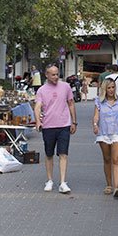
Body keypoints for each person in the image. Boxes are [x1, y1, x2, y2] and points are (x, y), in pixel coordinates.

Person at [34, 65, 78, 194]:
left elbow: (71, 103)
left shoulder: (66, 87)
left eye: (57, 74)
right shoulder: (41, 90)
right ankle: (49, 180)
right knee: (49, 154)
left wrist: (74, 121)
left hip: (64, 124)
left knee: (63, 154)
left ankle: (63, 182)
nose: (55, 77)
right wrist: (38, 121)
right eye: (52, 74)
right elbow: (37, 106)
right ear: (46, 75)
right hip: (48, 125)